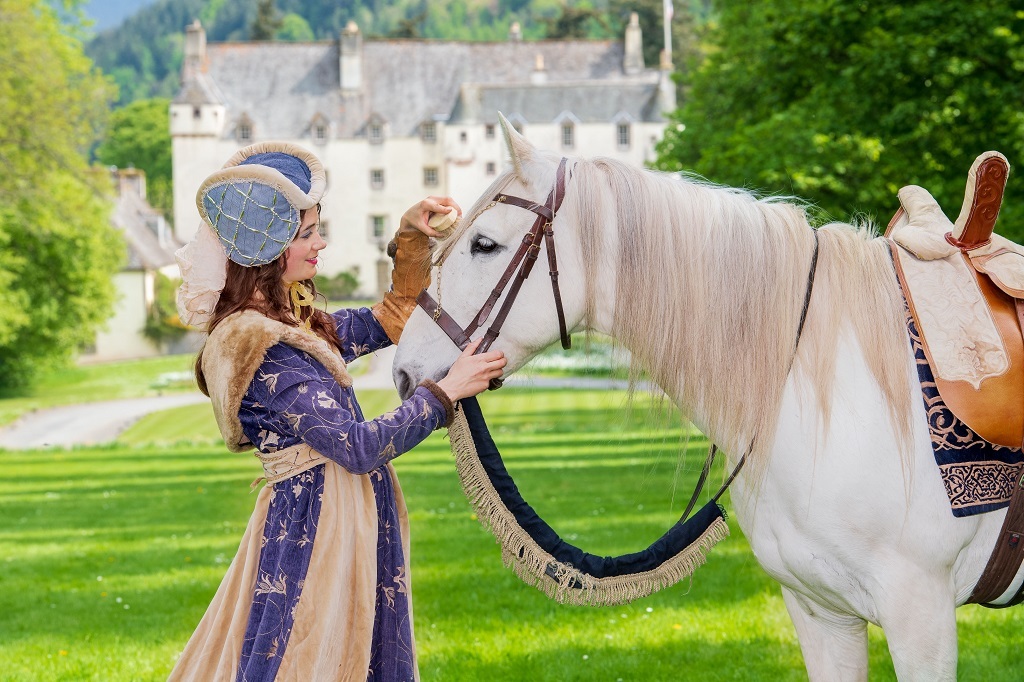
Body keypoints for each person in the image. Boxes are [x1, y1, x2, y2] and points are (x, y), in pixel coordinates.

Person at [168, 141, 505, 681]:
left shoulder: (293, 322)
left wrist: (412, 235)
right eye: (306, 234)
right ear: (267, 245)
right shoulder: (258, 343)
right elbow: (357, 446)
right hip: (315, 528)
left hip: (345, 516)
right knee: (306, 654)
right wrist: (448, 390)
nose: (320, 243)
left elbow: (390, 319)